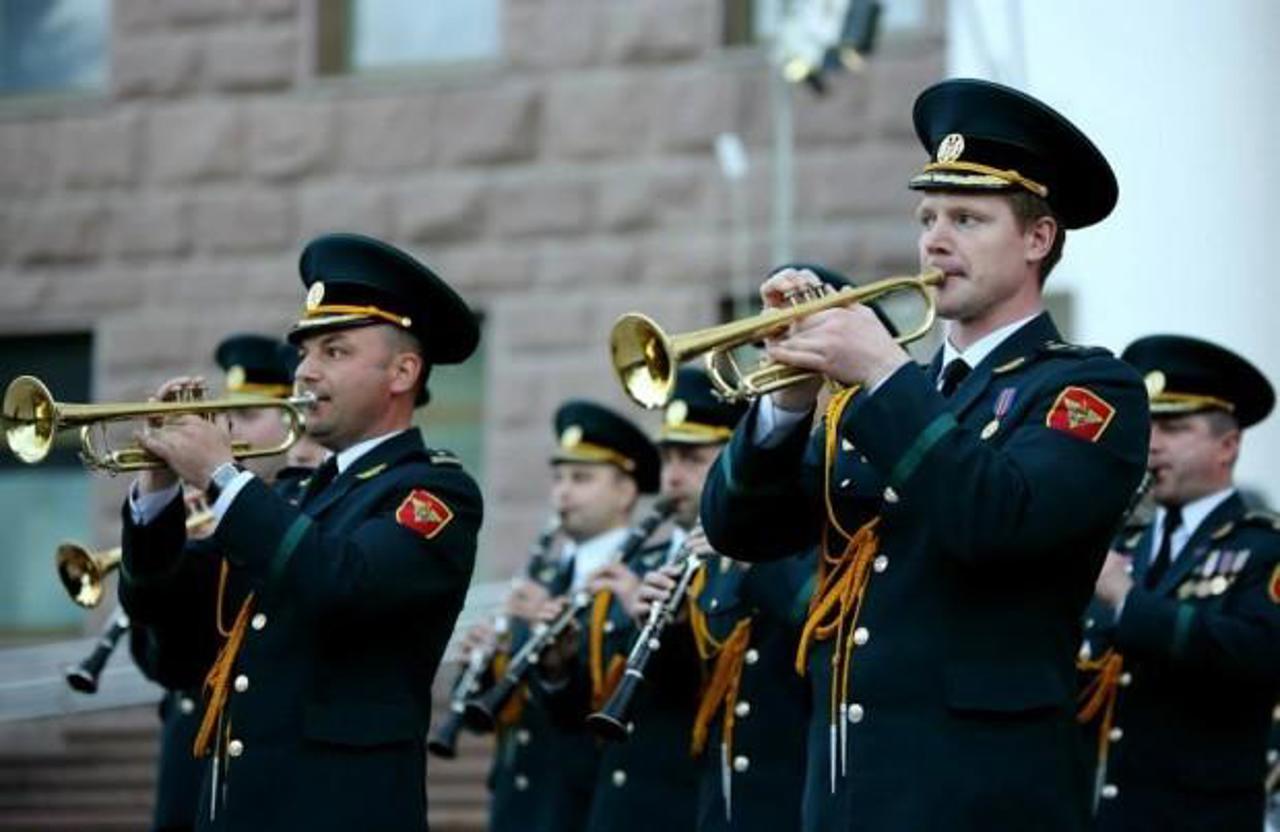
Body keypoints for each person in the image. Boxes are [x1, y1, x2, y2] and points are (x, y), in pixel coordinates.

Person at [699, 78, 1150, 831]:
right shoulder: (887, 399)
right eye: (928, 217)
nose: (935, 240)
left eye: (968, 219)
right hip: (844, 793)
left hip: (983, 796)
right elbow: (740, 532)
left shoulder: (1088, 388)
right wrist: (789, 403)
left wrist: (880, 373)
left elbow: (995, 520)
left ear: (1037, 240)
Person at [118, 232, 483, 831]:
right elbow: (170, 620)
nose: (304, 371)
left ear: (402, 371)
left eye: (334, 351)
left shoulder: (434, 493)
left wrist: (221, 474)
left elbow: (342, 581)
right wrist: (158, 491)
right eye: (305, 351)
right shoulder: (294, 495)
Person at [1085, 335, 1280, 831]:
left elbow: (1259, 652)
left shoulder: (1264, 548)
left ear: (1227, 445)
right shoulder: (1126, 542)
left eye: (1173, 426)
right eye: (1147, 424)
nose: (1151, 442)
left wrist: (1128, 602)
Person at [128, 333, 312, 832]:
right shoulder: (209, 519)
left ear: (294, 419)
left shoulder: (308, 510)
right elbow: (163, 661)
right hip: (198, 774)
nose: (229, 428)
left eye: (247, 415)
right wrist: (158, 497)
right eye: (226, 415)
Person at [634, 366, 814, 832]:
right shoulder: (703, 559)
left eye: (692, 459)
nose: (671, 478)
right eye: (667, 459)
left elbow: (819, 642)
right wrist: (663, 634)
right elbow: (691, 700)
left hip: (795, 803)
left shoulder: (801, 532)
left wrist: (749, 551)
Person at [482, 400, 661, 832]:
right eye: (558, 478)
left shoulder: (646, 578)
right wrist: (494, 658)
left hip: (588, 803)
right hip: (522, 802)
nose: (562, 492)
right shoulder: (546, 575)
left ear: (625, 491)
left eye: (581, 478)